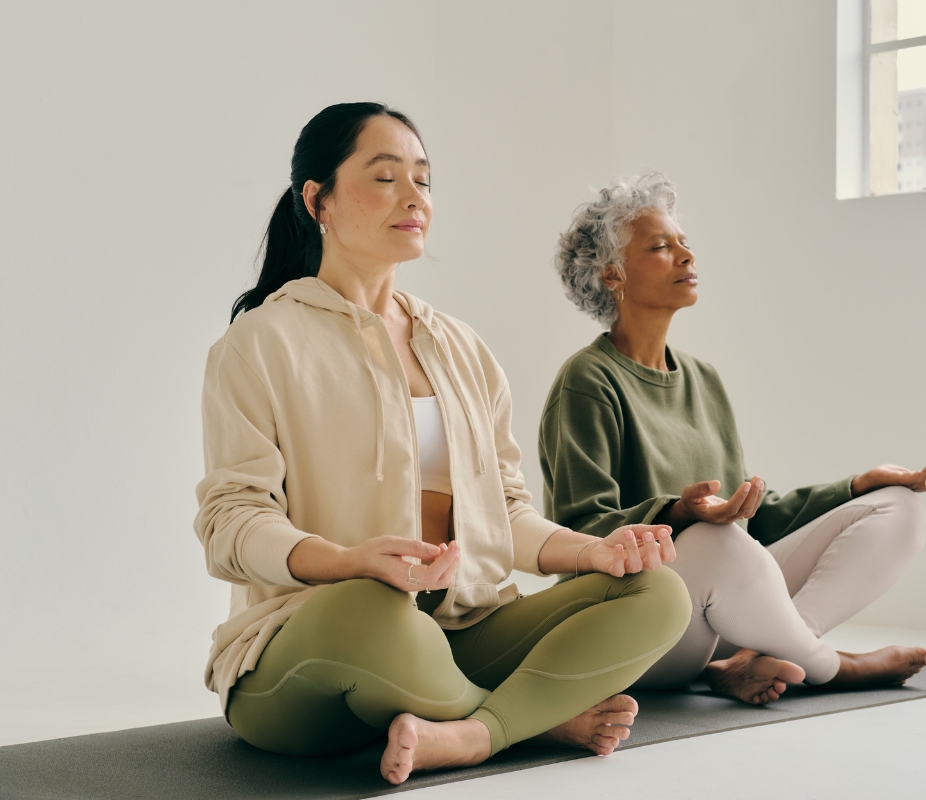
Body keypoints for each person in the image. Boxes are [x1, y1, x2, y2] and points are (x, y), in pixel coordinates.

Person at [194, 105, 692, 784]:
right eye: (385, 176)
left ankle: (469, 734)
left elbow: (507, 513)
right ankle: (528, 720)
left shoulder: (461, 347)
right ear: (319, 201)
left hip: (458, 635)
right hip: (310, 653)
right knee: (377, 609)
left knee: (655, 591)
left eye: (424, 181)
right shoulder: (258, 344)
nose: (413, 198)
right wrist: (346, 562)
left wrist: (594, 552)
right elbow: (232, 523)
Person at [540, 171, 926, 705]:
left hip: (722, 609)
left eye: (684, 244)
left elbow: (752, 517)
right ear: (612, 276)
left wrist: (859, 484)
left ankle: (765, 656)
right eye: (661, 247)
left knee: (900, 509)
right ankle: (831, 667)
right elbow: (581, 532)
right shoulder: (586, 381)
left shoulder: (704, 379)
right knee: (717, 541)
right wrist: (679, 514)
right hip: (637, 623)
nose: (686, 257)